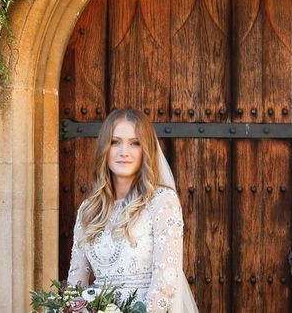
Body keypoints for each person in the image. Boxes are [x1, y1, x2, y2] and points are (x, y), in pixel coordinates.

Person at [67, 108, 198, 313]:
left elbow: (165, 279)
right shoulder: (88, 210)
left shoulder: (161, 202)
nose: (124, 152)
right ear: (105, 148)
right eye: (115, 142)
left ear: (145, 149)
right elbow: (76, 283)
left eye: (135, 143)